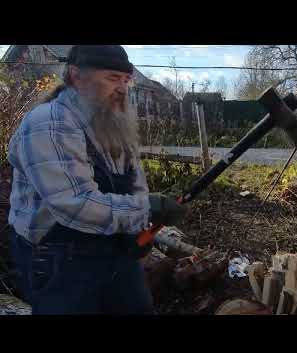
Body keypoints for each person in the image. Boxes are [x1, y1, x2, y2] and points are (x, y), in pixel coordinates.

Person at [7, 45, 186, 314]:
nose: (123, 88)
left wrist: (137, 228)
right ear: (76, 76)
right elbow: (74, 203)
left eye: (126, 80)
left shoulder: (112, 121)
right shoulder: (50, 122)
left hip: (112, 247)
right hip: (60, 258)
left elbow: (134, 180)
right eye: (113, 78)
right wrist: (145, 209)